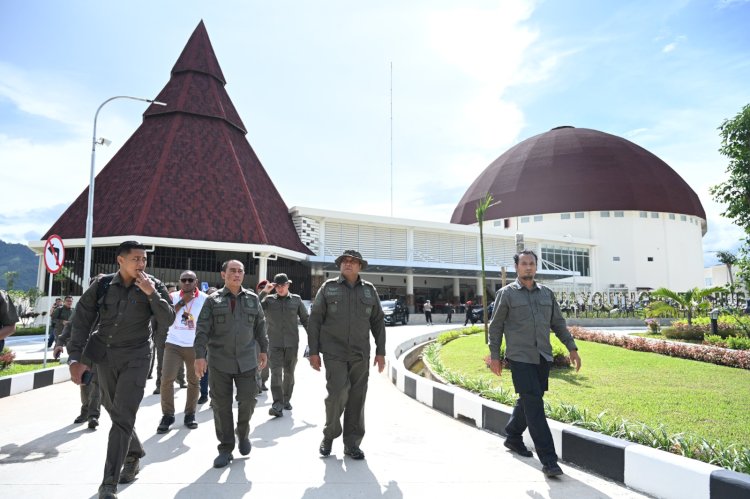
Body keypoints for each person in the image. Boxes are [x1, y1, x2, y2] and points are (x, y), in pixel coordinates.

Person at [68, 240, 175, 499]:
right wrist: (75, 358)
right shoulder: (102, 285)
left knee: (123, 416)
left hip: (137, 357)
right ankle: (134, 451)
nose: (141, 264)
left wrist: (152, 293)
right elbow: (81, 320)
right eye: (136, 259)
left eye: (144, 259)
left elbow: (168, 318)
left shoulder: (154, 285)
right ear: (121, 260)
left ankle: (108, 484)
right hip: (104, 355)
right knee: (113, 408)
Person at [488, 250, 582, 478]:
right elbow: (496, 325)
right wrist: (494, 356)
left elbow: (558, 323)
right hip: (520, 357)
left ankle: (512, 435)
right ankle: (549, 460)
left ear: (536, 267)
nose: (528, 267)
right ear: (517, 268)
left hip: (542, 357)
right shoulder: (506, 294)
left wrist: (572, 348)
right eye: (524, 264)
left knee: (530, 399)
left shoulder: (547, 294)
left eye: (531, 263)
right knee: (535, 406)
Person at [307, 249, 386, 460]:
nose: (348, 264)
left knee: (357, 399)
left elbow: (378, 322)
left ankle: (352, 444)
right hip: (334, 352)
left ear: (360, 266)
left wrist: (381, 352)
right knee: (337, 394)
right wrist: (313, 351)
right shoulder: (328, 288)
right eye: (344, 261)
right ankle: (329, 434)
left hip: (360, 354)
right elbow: (314, 320)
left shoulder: (369, 291)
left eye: (353, 261)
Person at [194, 260, 268, 468]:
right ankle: (226, 448)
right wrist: (199, 356)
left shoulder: (253, 299)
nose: (237, 274)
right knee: (221, 406)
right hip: (219, 362)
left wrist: (264, 350)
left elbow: (261, 327)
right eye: (232, 271)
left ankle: (242, 433)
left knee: (248, 401)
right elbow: (202, 329)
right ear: (223, 274)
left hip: (247, 361)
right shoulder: (212, 300)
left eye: (240, 271)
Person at [156, 270, 207, 434]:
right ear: (179, 282)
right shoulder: (173, 297)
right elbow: (166, 318)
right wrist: (182, 302)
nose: (186, 282)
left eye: (190, 280)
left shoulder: (205, 299)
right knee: (166, 380)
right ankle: (168, 415)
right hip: (174, 344)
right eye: (183, 280)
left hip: (195, 346)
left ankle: (190, 414)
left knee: (194, 381)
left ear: (196, 282)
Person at [259, 273, 310, 418]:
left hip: (292, 344)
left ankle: (286, 400)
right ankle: (277, 404)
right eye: (278, 286)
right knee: (276, 373)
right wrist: (264, 292)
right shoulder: (268, 300)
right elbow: (253, 308)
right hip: (274, 344)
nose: (280, 289)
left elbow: (306, 320)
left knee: (289, 373)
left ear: (288, 285)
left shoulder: (296, 300)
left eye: (283, 285)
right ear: (274, 286)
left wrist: (313, 339)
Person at [54, 310, 102, 429]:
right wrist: (59, 342)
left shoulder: (110, 304)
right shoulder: (84, 307)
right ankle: (85, 411)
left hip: (100, 351)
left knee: (96, 384)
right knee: (84, 382)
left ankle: (93, 415)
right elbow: (70, 326)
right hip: (82, 351)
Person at [197, 286, 218, 405]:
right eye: (210, 294)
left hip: (218, 345)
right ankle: (204, 395)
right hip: (205, 344)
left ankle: (213, 397)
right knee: (204, 372)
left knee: (216, 373)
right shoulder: (202, 308)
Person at [254, 280, 271, 392]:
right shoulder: (255, 299)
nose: (263, 289)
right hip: (256, 337)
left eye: (265, 288)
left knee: (266, 362)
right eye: (261, 288)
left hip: (269, 336)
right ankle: (256, 384)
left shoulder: (272, 300)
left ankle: (263, 381)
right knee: (255, 361)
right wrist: (263, 293)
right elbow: (257, 304)